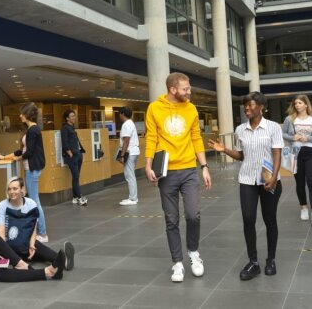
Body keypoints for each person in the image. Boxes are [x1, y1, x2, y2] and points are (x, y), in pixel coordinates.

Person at [144, 72, 212, 282]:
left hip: (189, 169)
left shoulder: (191, 108)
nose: (189, 92)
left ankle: (193, 252)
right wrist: (147, 165)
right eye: (185, 89)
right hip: (167, 172)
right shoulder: (155, 108)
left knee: (193, 215)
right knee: (171, 219)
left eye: (188, 88)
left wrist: (205, 166)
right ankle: (177, 263)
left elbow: (196, 137)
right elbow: (151, 138)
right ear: (173, 89)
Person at [208, 92, 282, 280]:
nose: (246, 109)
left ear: (261, 107)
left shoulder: (273, 127)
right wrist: (224, 149)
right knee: (248, 219)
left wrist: (273, 177)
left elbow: (277, 154)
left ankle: (271, 260)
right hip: (247, 180)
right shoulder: (240, 129)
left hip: (268, 180)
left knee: (269, 219)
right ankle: (253, 262)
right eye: (245, 106)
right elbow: (241, 156)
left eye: (250, 105)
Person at [0, 177, 75, 270]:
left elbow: (33, 227)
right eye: (9, 189)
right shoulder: (2, 206)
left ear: (22, 189)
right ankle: (21, 258)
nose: (12, 192)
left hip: (26, 242)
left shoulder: (31, 204)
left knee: (39, 248)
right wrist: (3, 250)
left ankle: (64, 260)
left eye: (15, 188)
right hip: (9, 245)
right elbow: (1, 231)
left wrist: (32, 244)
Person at [282, 95, 312, 226]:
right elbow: (283, 134)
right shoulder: (289, 119)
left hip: (311, 152)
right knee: (300, 183)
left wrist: (308, 139)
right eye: (295, 103)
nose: (297, 105)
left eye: (300, 103)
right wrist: (293, 137)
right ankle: (304, 207)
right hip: (296, 153)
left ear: (306, 104)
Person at [15, 103, 49, 241]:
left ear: (27, 114)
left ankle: (42, 233)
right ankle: (40, 231)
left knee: (35, 202)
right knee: (34, 200)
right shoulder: (31, 129)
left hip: (32, 169)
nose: (20, 115)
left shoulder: (33, 130)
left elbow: (29, 152)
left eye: (22, 113)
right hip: (31, 168)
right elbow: (24, 150)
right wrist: (8, 155)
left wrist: (18, 157)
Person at [61, 109, 87, 206]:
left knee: (76, 177)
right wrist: (69, 153)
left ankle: (75, 197)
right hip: (72, 156)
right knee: (76, 177)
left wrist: (79, 152)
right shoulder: (65, 128)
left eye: (74, 116)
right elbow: (64, 142)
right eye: (72, 116)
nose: (74, 118)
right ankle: (79, 197)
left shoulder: (72, 128)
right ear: (67, 118)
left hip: (78, 154)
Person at [117, 107, 140, 206]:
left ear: (122, 114)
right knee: (130, 175)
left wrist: (122, 155)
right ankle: (132, 197)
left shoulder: (126, 125)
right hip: (134, 151)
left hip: (130, 152)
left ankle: (133, 198)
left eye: (120, 114)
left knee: (129, 175)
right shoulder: (131, 123)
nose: (119, 116)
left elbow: (126, 140)